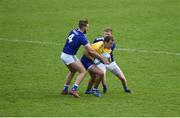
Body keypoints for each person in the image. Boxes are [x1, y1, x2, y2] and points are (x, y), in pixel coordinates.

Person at [60, 19, 109, 98]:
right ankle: (74, 89)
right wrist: (102, 58)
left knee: (72, 71)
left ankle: (65, 89)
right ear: (84, 27)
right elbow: (90, 50)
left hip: (63, 54)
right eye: (87, 27)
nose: (88, 29)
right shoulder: (81, 37)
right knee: (83, 71)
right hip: (70, 56)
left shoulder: (73, 30)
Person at [85, 27, 132, 94]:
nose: (106, 36)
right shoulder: (97, 40)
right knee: (100, 75)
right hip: (100, 63)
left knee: (122, 78)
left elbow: (106, 55)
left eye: (108, 34)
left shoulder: (112, 43)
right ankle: (100, 87)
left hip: (110, 62)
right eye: (105, 34)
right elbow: (92, 50)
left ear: (111, 35)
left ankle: (126, 88)